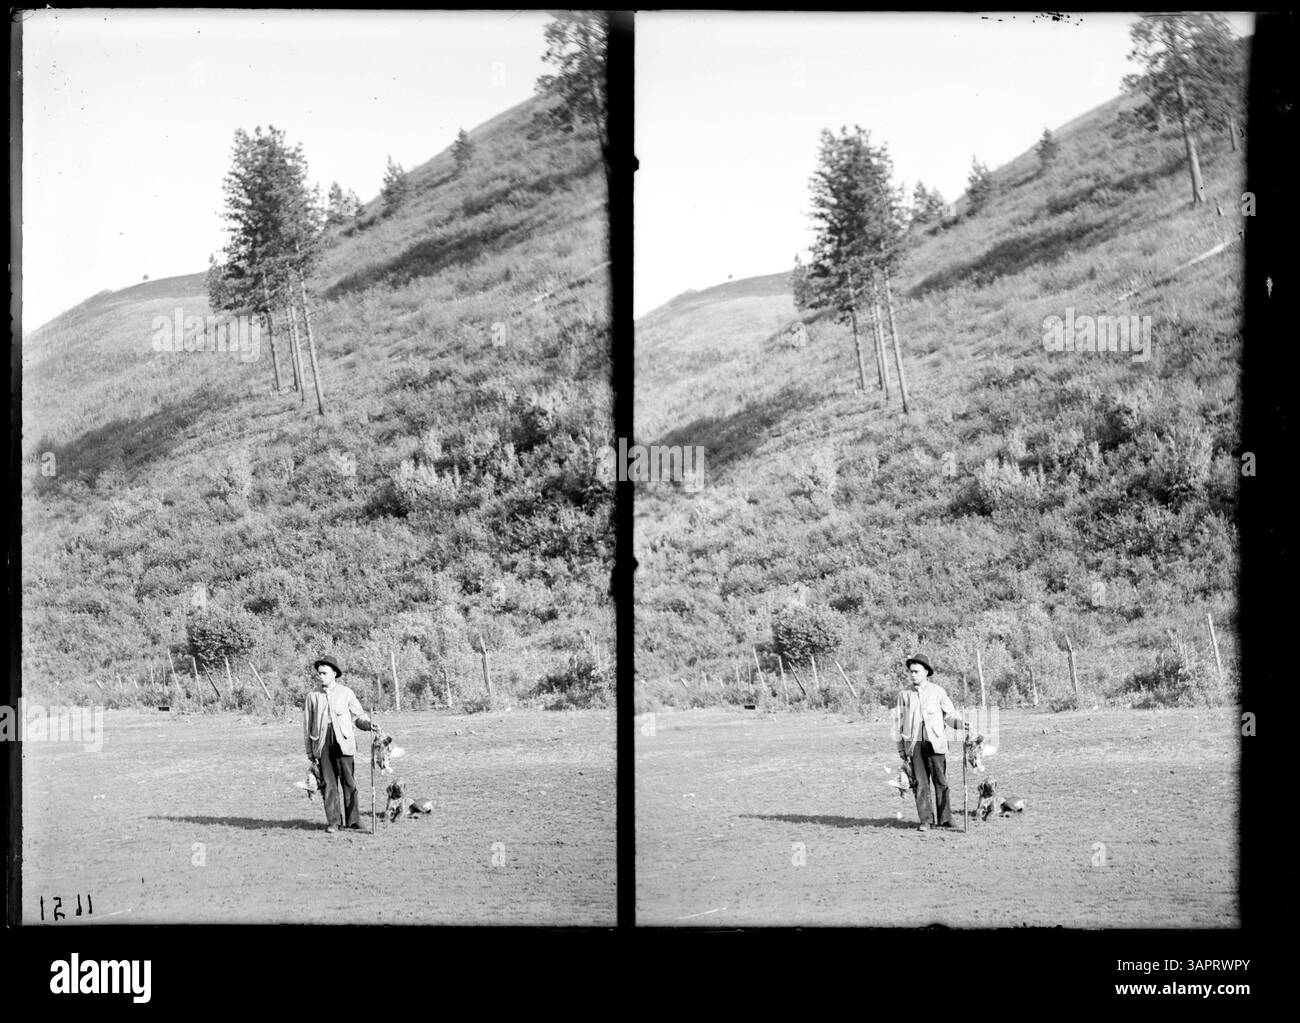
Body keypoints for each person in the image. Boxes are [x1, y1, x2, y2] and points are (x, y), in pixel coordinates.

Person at [303, 656, 378, 833]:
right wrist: (310, 752)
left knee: (349, 783)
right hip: (322, 745)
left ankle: (353, 820)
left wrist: (368, 724)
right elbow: (307, 726)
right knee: (329, 785)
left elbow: (359, 716)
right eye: (319, 673)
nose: (320, 676)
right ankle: (334, 822)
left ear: (334, 674)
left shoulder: (346, 693)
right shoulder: (312, 696)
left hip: (344, 744)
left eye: (324, 673)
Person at [895, 654, 967, 833]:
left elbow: (949, 716)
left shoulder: (938, 692)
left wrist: (960, 724)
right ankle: (926, 820)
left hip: (936, 744)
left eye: (916, 671)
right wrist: (901, 750)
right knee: (920, 783)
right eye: (910, 672)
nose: (912, 675)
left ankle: (946, 818)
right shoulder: (904, 695)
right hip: (915, 745)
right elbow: (899, 723)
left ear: (926, 672)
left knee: (941, 781)